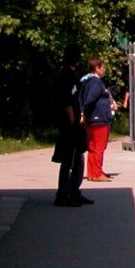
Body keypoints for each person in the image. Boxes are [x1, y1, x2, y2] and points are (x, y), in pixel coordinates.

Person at [52, 45, 92, 207]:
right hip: (70, 125)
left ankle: (74, 191)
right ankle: (63, 194)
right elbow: (67, 101)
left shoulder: (70, 74)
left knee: (78, 158)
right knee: (69, 160)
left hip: (74, 123)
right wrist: (73, 121)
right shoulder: (66, 75)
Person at [80, 58, 114, 182]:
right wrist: (85, 112)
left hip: (93, 118)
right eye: (102, 67)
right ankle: (97, 173)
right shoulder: (96, 83)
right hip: (99, 119)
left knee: (93, 146)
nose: (104, 69)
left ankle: (92, 172)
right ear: (97, 68)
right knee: (99, 146)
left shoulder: (88, 81)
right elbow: (90, 100)